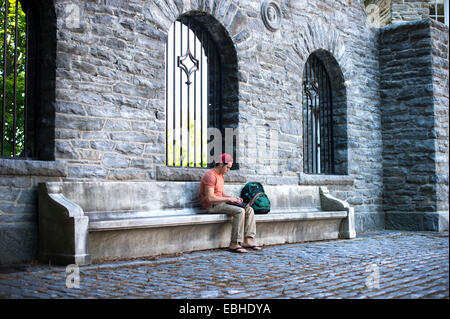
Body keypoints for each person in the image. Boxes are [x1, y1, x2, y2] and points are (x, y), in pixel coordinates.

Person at [200, 153, 262, 253]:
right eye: (228, 167)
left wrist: (233, 198)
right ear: (221, 164)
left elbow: (221, 193)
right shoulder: (210, 176)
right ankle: (234, 243)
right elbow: (210, 198)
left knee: (249, 209)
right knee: (239, 211)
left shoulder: (221, 175)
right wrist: (229, 200)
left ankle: (247, 240)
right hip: (211, 206)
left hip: (220, 203)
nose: (228, 170)